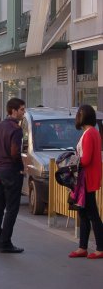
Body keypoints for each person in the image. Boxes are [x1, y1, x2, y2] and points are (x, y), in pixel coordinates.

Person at [0, 97, 26, 253]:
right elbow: (15, 152)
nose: (23, 112)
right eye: (22, 109)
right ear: (13, 111)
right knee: (11, 208)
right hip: (11, 171)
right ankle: (5, 242)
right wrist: (20, 167)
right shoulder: (16, 129)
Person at [68, 104, 103, 259]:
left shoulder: (89, 134)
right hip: (86, 178)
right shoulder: (93, 132)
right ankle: (83, 246)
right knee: (84, 213)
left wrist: (73, 162)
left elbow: (86, 159)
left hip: (86, 179)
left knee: (91, 214)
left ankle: (100, 247)